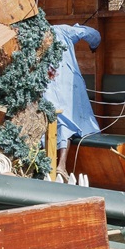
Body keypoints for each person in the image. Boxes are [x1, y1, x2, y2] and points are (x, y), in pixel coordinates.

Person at [44, 23, 102, 175]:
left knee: (57, 122)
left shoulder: (30, 37)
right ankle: (61, 166)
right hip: (69, 88)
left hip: (46, 86)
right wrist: (94, 46)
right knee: (67, 122)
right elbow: (92, 33)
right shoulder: (61, 30)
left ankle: (50, 167)